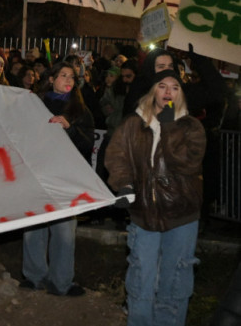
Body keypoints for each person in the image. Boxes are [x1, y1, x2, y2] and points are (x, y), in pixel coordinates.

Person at [105, 69, 206, 325]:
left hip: (181, 215)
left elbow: (187, 164)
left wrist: (169, 127)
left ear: (181, 93)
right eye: (162, 86)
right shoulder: (133, 123)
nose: (168, 92)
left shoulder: (191, 126)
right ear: (153, 91)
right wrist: (124, 184)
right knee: (141, 276)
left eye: (175, 87)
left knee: (175, 280)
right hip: (143, 214)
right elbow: (117, 156)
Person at [21, 62, 94, 297]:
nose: (68, 80)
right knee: (34, 229)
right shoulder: (35, 104)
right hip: (37, 175)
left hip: (66, 178)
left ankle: (61, 282)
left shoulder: (81, 110)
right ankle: (34, 277)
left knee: (64, 232)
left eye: (72, 77)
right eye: (63, 75)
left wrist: (69, 129)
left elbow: (87, 143)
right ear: (51, 79)